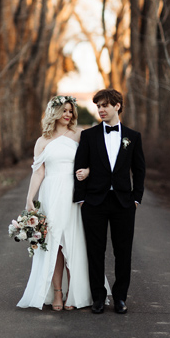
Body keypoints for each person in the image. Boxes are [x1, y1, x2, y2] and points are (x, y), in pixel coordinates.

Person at [16, 95, 99, 311]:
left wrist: (88, 171)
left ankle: (75, 292)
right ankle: (57, 293)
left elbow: (94, 161)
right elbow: (38, 172)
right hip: (51, 194)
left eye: (71, 111)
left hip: (73, 195)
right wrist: (29, 199)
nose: (68, 114)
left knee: (74, 242)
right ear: (54, 112)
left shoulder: (79, 135)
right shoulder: (42, 141)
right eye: (64, 110)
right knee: (54, 244)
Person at [73, 88, 145, 314]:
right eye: (98, 106)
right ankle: (98, 297)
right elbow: (79, 167)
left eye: (105, 105)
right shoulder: (89, 136)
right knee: (95, 251)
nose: (101, 110)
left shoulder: (133, 137)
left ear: (117, 106)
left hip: (124, 203)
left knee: (123, 252)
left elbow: (139, 170)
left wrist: (136, 199)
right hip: (94, 202)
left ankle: (121, 298)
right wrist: (82, 199)